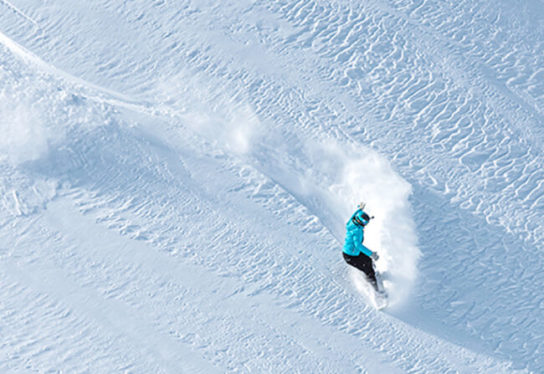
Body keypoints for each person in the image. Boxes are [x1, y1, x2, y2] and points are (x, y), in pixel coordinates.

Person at [342, 202, 380, 290]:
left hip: (353, 253)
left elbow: (353, 216)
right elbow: (358, 245)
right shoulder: (357, 231)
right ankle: (377, 291)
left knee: (368, 260)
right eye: (365, 223)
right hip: (351, 256)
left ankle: (372, 274)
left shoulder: (351, 223)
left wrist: (359, 210)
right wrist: (371, 253)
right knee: (368, 270)